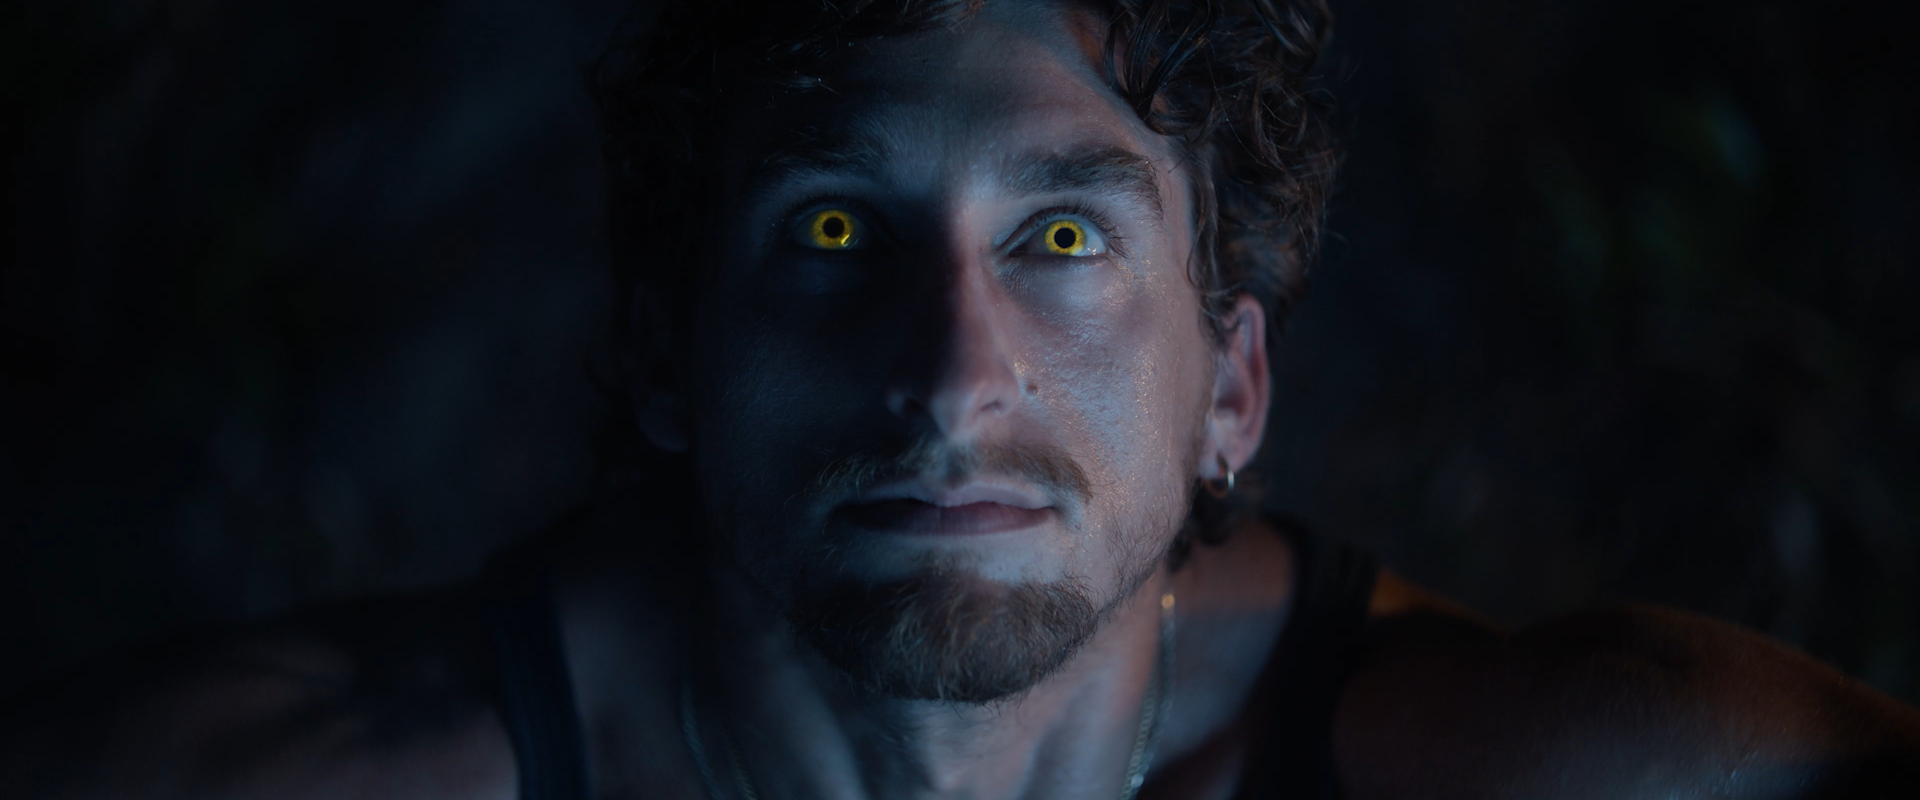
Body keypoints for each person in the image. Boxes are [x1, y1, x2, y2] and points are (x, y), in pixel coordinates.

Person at [6, 0, 1919, 798]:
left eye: (1064, 239)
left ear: (1231, 386)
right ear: (669, 357)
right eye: (835, 228)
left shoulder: (1582, 769)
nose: (949, 380)